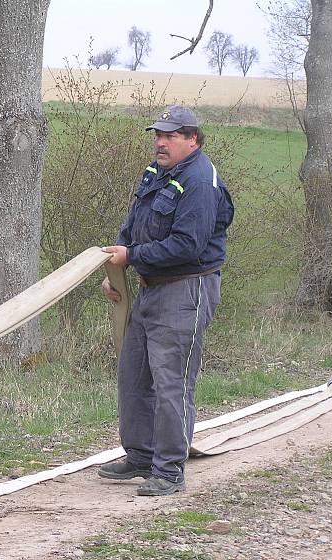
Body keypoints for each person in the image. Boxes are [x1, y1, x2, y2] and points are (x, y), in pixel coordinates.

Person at [97, 105, 234, 496]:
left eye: (170, 135)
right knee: (135, 375)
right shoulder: (157, 172)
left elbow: (187, 246)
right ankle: (140, 456)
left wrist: (133, 258)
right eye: (158, 134)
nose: (160, 141)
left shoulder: (199, 181)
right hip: (150, 287)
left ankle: (170, 470)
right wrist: (118, 272)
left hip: (186, 289)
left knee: (172, 381)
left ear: (193, 139)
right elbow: (134, 226)